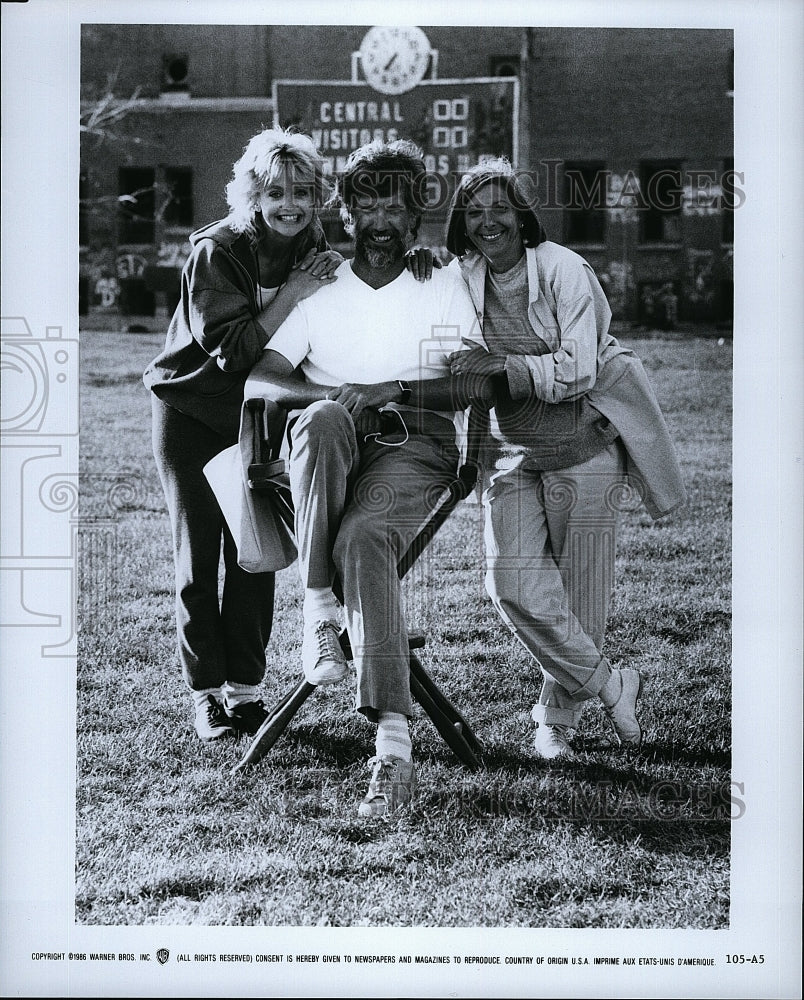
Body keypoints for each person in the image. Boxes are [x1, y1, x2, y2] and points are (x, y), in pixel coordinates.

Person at [245, 140, 483, 817]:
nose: (380, 219)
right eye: (366, 203)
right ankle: (321, 609)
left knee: (366, 539)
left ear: (416, 219)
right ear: (346, 212)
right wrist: (340, 393)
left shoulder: (442, 281)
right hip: (329, 446)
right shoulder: (320, 281)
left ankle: (393, 748)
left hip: (415, 445)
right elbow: (261, 377)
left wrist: (392, 389)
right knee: (320, 418)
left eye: (395, 206)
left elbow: (471, 380)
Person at [445, 158, 686, 761]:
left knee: (581, 595)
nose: (487, 221)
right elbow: (459, 368)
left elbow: (577, 370)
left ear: (522, 214)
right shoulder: (460, 276)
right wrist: (471, 448)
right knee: (512, 584)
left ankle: (557, 720)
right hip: (511, 454)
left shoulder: (563, 269)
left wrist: (503, 368)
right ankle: (611, 683)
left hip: (584, 447)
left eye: (499, 208)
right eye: (474, 212)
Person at [143, 128, 343, 743]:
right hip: (193, 412)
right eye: (276, 191)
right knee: (199, 555)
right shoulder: (217, 249)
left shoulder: (315, 246)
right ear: (252, 193)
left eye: (303, 192)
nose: (290, 204)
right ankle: (206, 695)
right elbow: (232, 353)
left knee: (255, 554)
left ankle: (246, 693)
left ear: (317, 197)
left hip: (259, 416)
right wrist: (296, 293)